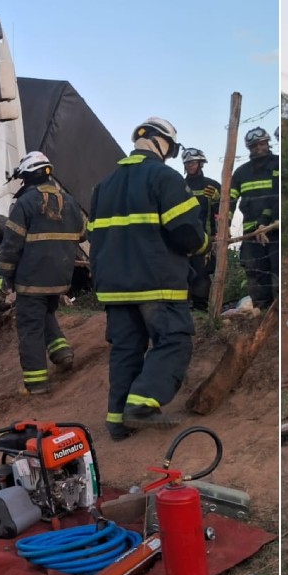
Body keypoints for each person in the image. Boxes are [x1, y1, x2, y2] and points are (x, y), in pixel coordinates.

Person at [89, 117, 207, 440]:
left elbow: (93, 240)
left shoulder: (104, 186)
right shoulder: (164, 177)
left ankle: (117, 422)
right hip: (157, 283)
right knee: (174, 340)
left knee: (126, 349)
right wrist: (204, 244)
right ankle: (141, 404)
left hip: (114, 288)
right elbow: (187, 231)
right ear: (164, 144)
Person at [0, 151, 85, 395]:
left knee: (30, 328)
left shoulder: (24, 203)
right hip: (59, 279)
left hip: (31, 280)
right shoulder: (70, 202)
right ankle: (62, 352)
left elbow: (11, 244)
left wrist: (4, 274)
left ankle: (36, 384)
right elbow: (82, 233)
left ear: (27, 176)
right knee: (45, 314)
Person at [229, 127, 280, 309]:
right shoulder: (241, 172)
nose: (258, 148)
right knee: (255, 272)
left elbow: (277, 196)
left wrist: (264, 222)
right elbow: (230, 201)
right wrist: (225, 227)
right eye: (253, 145)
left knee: (277, 271)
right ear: (248, 148)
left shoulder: (278, 164)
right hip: (251, 233)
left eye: (261, 143)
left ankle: (277, 315)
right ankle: (262, 311)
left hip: (274, 230)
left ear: (267, 143)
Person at [180, 147, 221, 312]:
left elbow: (223, 212)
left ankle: (200, 308)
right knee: (181, 273)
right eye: (187, 163)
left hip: (204, 238)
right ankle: (182, 307)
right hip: (181, 239)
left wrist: (218, 199)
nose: (190, 165)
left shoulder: (211, 186)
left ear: (200, 163)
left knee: (201, 274)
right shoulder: (179, 185)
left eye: (193, 162)